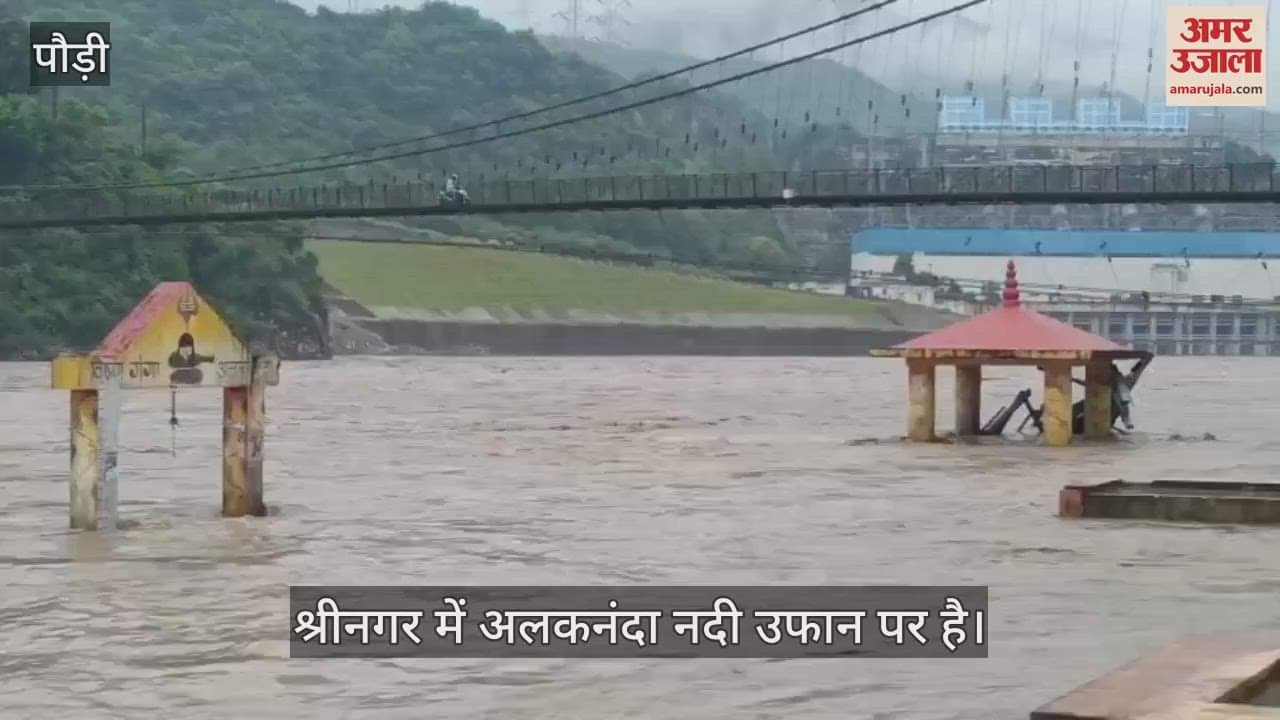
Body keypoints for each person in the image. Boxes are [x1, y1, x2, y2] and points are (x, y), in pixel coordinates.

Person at [1111, 363, 1135, 430]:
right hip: (1120, 394)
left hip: (1120, 394)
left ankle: (1127, 422)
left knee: (1124, 406)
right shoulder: (1119, 376)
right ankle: (1127, 422)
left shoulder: (1117, 376)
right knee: (1124, 407)